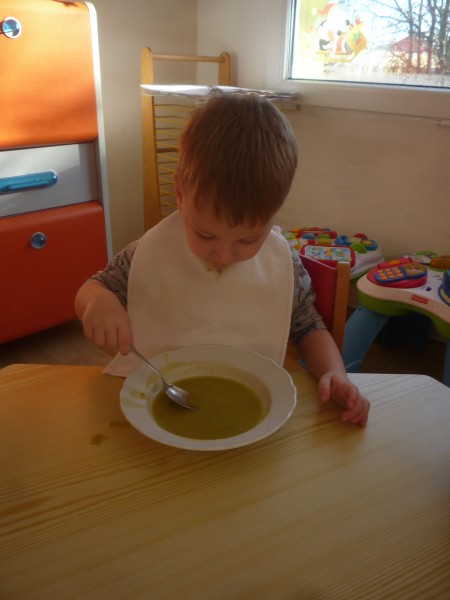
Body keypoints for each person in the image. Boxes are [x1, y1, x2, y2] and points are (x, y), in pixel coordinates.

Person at [75, 92, 370, 427]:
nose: (223, 255)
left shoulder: (282, 262)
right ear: (180, 195)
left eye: (248, 240)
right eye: (205, 235)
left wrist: (334, 372)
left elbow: (308, 327)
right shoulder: (151, 250)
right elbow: (95, 287)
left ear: (273, 216)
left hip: (252, 406)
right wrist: (97, 301)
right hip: (152, 394)